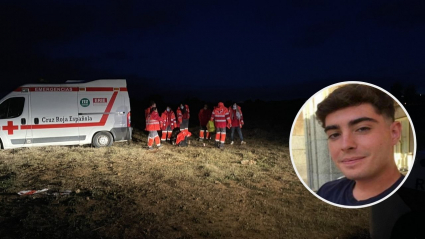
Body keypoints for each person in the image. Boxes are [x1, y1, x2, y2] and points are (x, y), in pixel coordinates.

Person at [315, 84, 404, 206]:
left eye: (362, 129)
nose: (346, 145)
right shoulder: (326, 192)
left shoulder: (412, 202)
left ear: (394, 133)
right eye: (334, 135)